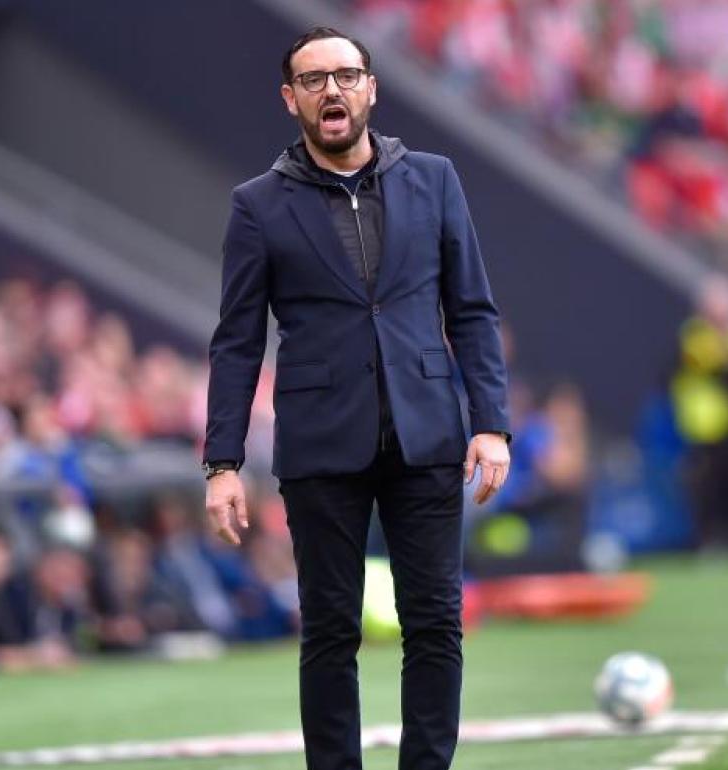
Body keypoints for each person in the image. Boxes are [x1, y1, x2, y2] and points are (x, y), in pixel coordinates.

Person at [202, 26, 511, 770]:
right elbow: (238, 339)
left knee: (435, 624)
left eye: (346, 75)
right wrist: (221, 462)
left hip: (428, 434)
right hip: (320, 445)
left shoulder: (434, 178)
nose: (332, 90)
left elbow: (470, 310)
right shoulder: (257, 205)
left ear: (373, 88)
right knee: (331, 632)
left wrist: (491, 425)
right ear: (291, 100)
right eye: (314, 80)